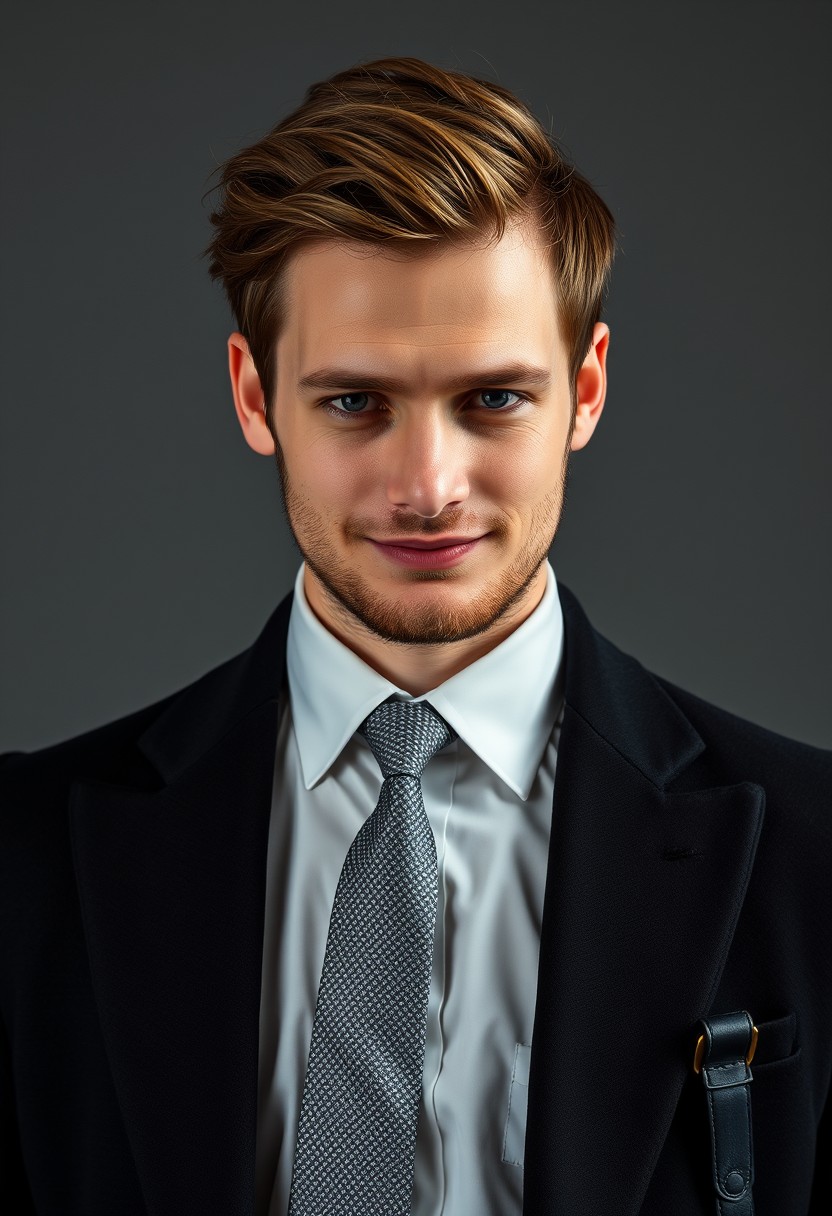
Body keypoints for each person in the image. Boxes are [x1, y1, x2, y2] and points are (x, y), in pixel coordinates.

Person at [0, 55, 829, 1216]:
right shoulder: (23, 862)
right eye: (354, 402)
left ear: (586, 390)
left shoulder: (813, 850)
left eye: (492, 398)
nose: (427, 485)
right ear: (253, 396)